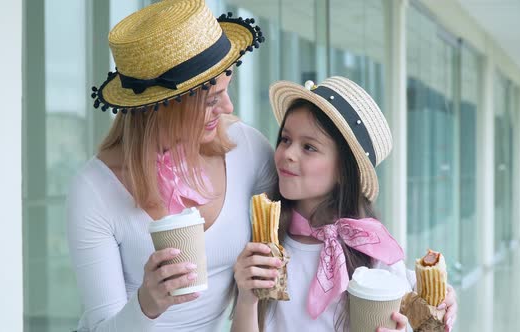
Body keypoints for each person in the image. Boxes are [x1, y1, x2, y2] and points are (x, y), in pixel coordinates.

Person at [66, 0, 275, 331]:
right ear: (160, 107)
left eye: (227, 88)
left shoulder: (246, 149)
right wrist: (147, 304)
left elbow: (302, 234)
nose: (228, 107)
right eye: (211, 100)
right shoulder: (94, 189)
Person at [231, 77, 458, 332]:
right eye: (285, 139)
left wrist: (439, 306)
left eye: (309, 147)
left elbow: (423, 317)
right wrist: (246, 298)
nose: (288, 154)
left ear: (343, 170)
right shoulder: (263, 245)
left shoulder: (373, 252)